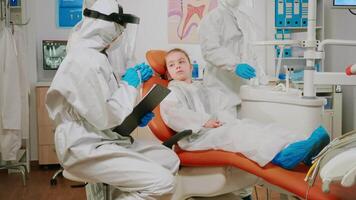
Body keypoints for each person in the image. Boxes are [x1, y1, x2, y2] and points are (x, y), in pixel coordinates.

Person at [45, 1, 180, 199]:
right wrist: (130, 85)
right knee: (163, 183)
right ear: (108, 28)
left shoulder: (98, 57)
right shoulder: (83, 61)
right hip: (84, 146)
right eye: (118, 30)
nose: (120, 36)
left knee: (168, 159)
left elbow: (105, 109)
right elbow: (104, 117)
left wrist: (133, 117)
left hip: (103, 138)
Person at [160, 48, 330, 170]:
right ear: (168, 74)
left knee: (254, 126)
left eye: (181, 61)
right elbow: (172, 113)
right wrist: (204, 122)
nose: (178, 66)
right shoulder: (172, 91)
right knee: (239, 134)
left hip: (216, 130)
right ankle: (283, 156)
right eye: (172, 65)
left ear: (191, 66)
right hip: (196, 138)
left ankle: (302, 146)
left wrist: (226, 121)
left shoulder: (202, 88)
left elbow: (222, 106)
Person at [199, 0, 262, 118]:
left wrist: (261, 77)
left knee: (244, 129)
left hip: (242, 86)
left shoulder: (244, 19)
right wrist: (235, 65)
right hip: (220, 88)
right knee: (225, 130)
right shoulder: (213, 18)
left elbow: (251, 51)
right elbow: (210, 50)